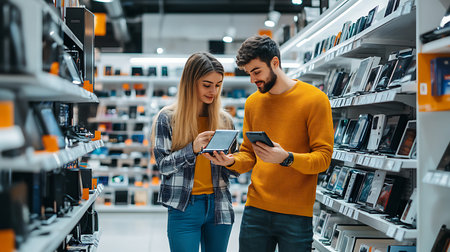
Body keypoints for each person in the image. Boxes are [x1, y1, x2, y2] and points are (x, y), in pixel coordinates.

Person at [203, 35, 334, 251]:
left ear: (275, 63)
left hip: (296, 215)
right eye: (249, 74)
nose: (253, 80)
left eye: (257, 72)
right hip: (256, 209)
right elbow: (248, 154)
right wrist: (229, 161)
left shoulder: (315, 100)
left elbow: (323, 159)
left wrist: (287, 158)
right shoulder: (253, 102)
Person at [151, 52, 237, 252]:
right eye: (207, 85)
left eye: (218, 85)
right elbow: (163, 166)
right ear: (190, 83)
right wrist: (192, 149)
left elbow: (236, 165)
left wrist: (229, 162)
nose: (213, 91)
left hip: (219, 205)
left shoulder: (225, 120)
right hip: (183, 206)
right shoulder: (168, 118)